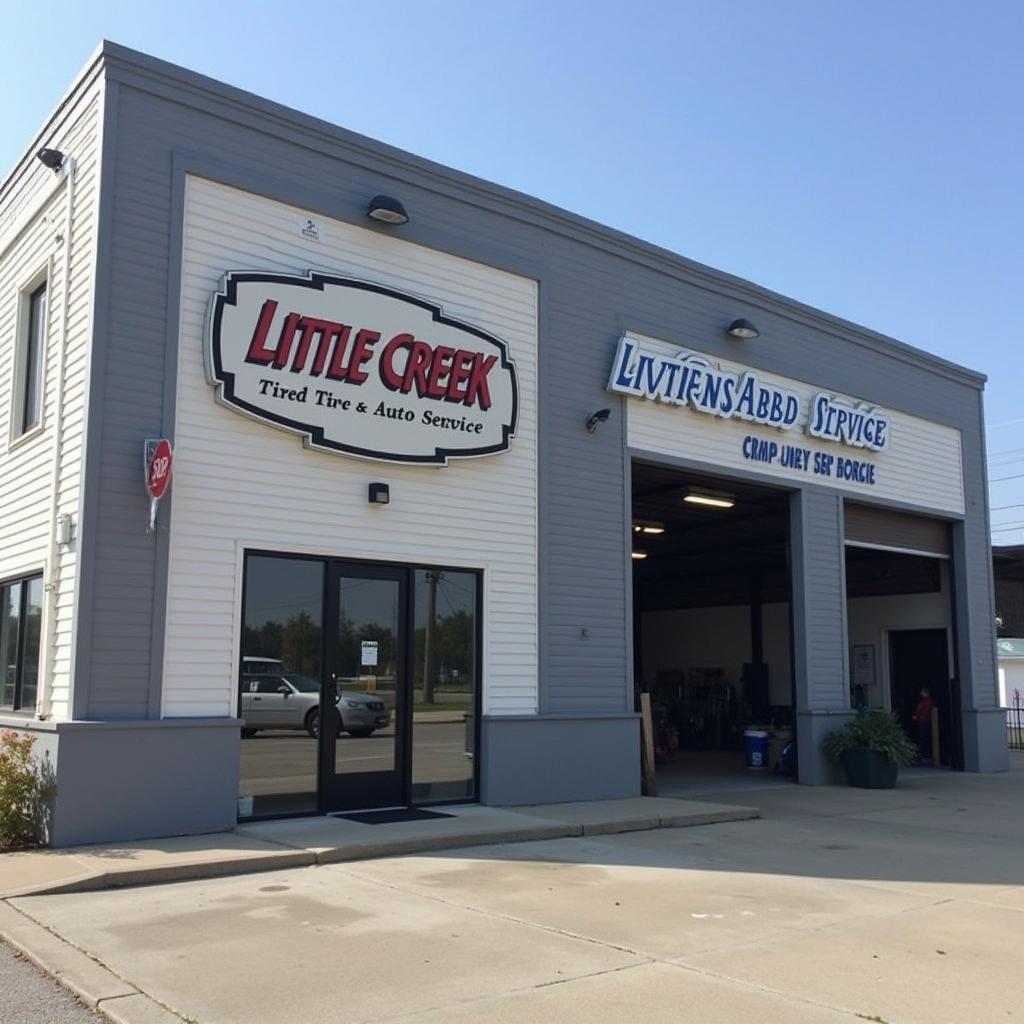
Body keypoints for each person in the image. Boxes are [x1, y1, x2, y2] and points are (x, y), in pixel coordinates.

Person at [911, 687, 935, 763]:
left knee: (924, 739)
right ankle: (923, 756)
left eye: (922, 692)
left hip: (924, 723)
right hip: (921, 722)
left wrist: (917, 717)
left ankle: (926, 756)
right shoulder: (923, 701)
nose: (921, 694)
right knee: (922, 739)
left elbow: (926, 713)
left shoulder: (928, 702)